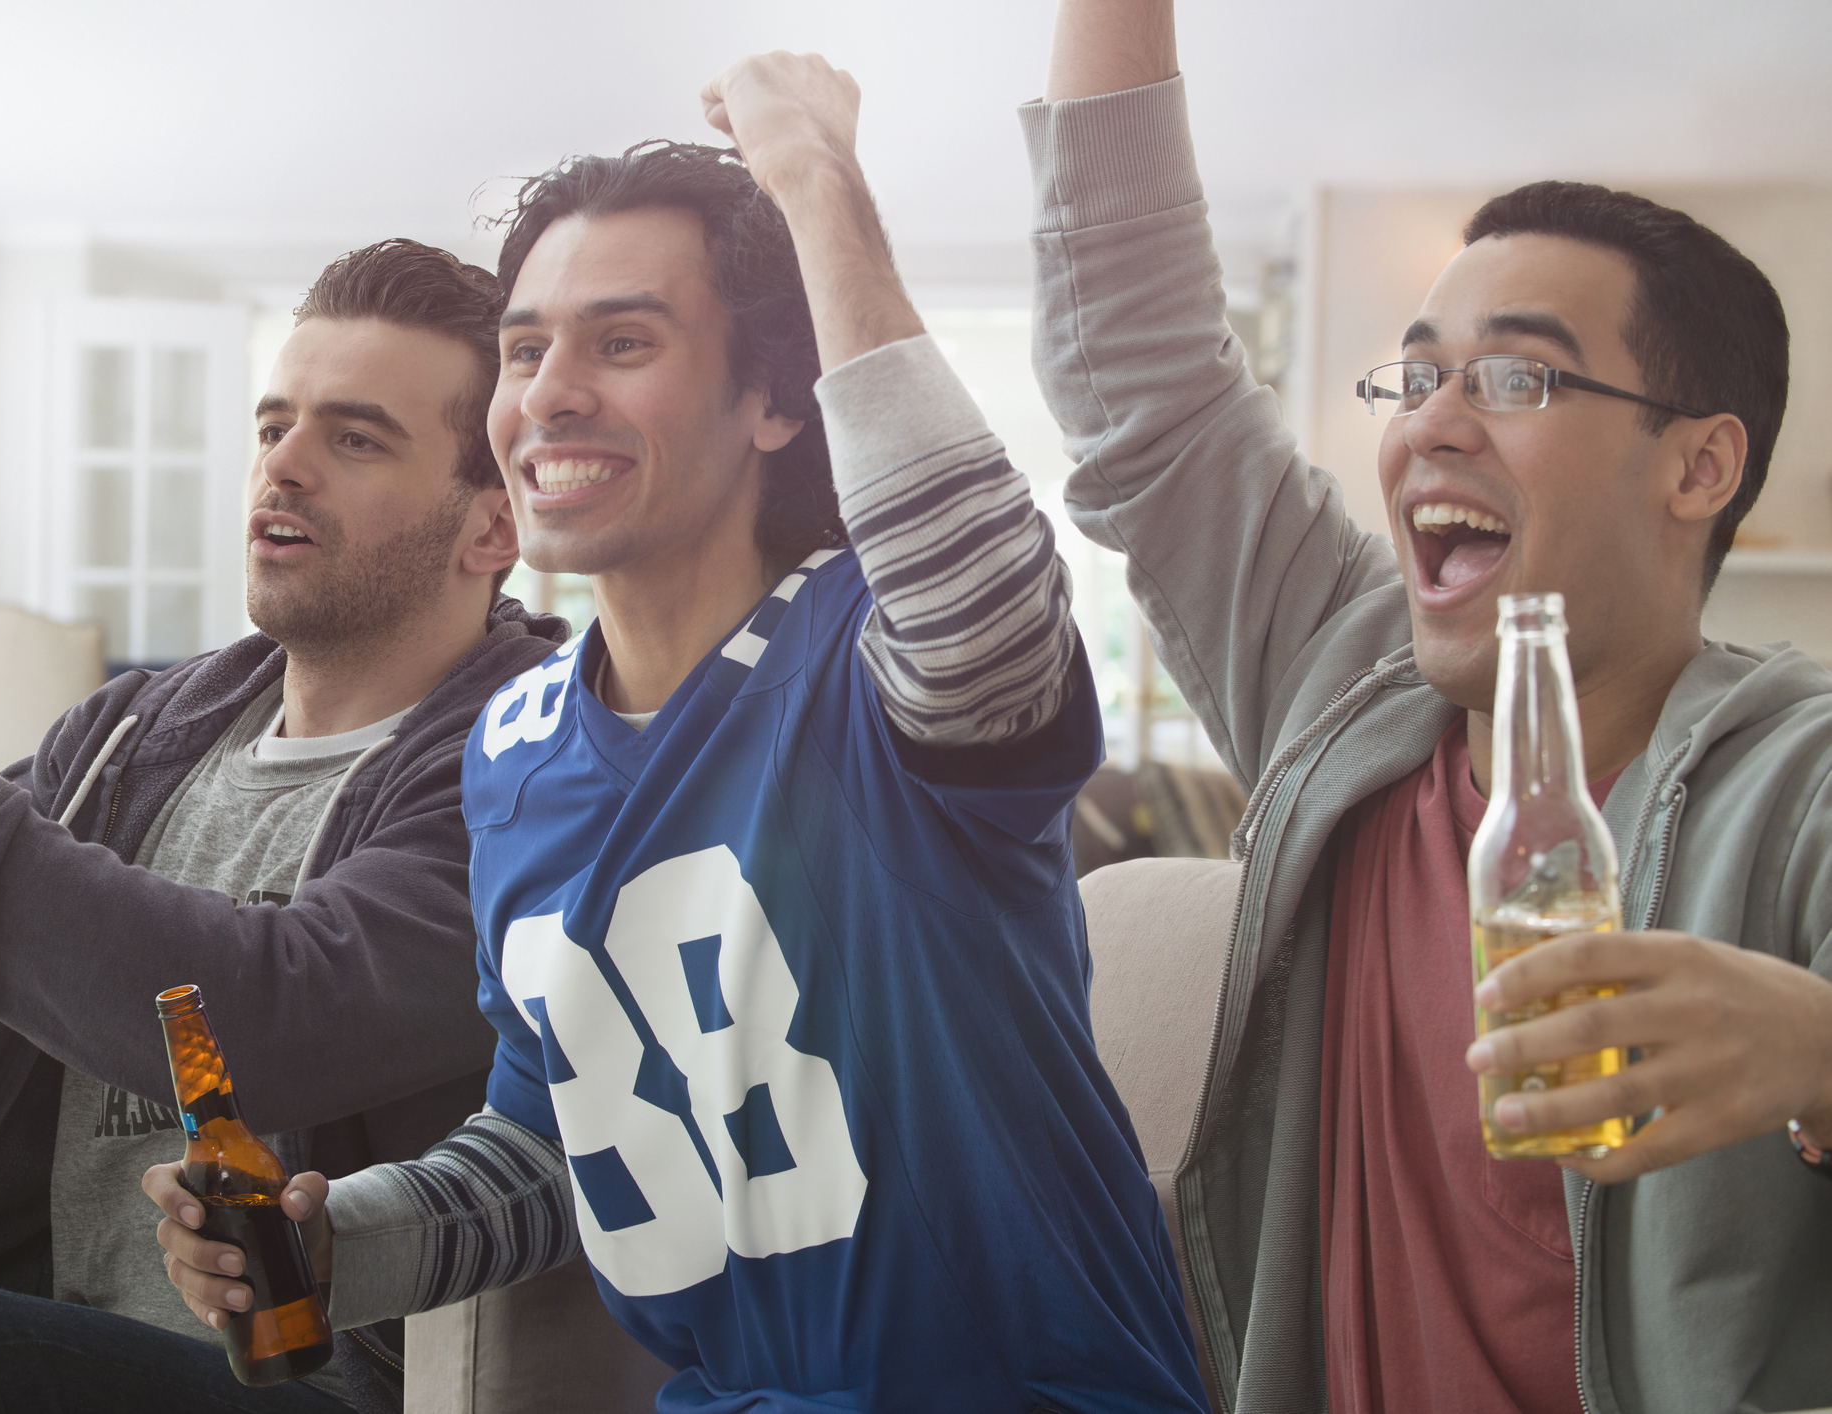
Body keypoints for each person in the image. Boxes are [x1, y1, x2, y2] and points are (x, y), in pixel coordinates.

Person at [153, 53, 1209, 1414]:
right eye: (525, 348)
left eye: (623, 341)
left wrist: (814, 183)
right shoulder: (512, 749)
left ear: (774, 400)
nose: (548, 392)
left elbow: (978, 593)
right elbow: (553, 1134)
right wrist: (333, 1240)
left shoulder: (868, 652)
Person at [1024, 3, 1832, 1411]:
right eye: (1416, 373)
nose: (1428, 422)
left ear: (1697, 466)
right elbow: (1140, 384)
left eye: (1515, 375)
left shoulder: (1804, 777)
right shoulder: (1342, 676)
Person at [0, 238, 566, 1414]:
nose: (285, 468)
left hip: (310, 1382)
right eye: (274, 427)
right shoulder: (131, 736)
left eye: (354, 436)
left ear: (492, 527)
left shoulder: (528, 763)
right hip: (41, 1333)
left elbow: (267, 1015)